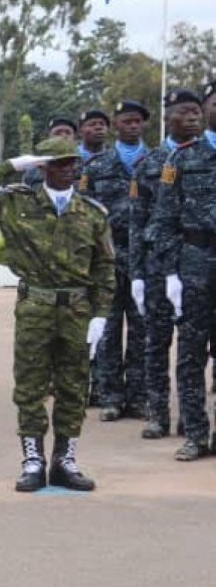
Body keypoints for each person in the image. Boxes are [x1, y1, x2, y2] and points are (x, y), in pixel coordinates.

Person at [0, 137, 115, 490]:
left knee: (74, 386)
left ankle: (66, 459)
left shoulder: (91, 212)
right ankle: (33, 459)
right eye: (59, 163)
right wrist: (13, 165)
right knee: (30, 386)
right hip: (35, 307)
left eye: (72, 163)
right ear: (43, 166)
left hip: (77, 309)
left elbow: (105, 268)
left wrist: (101, 315)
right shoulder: (17, 203)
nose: (68, 169)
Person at [146, 89, 216, 461]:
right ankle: (196, 434)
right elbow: (164, 221)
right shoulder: (181, 157)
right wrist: (171, 273)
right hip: (196, 259)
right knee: (191, 353)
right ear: (205, 111)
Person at [81, 106, 145, 422]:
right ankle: (110, 397)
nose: (133, 126)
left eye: (138, 121)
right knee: (107, 328)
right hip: (106, 258)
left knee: (141, 330)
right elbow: (84, 213)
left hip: (144, 260)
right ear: (116, 125)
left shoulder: (158, 161)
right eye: (126, 121)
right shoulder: (96, 166)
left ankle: (138, 398)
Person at [123, 100, 173, 437]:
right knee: (156, 341)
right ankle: (158, 413)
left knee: (198, 348)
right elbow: (136, 222)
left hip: (202, 263)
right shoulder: (148, 164)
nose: (191, 117)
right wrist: (137, 272)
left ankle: (196, 422)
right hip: (157, 265)